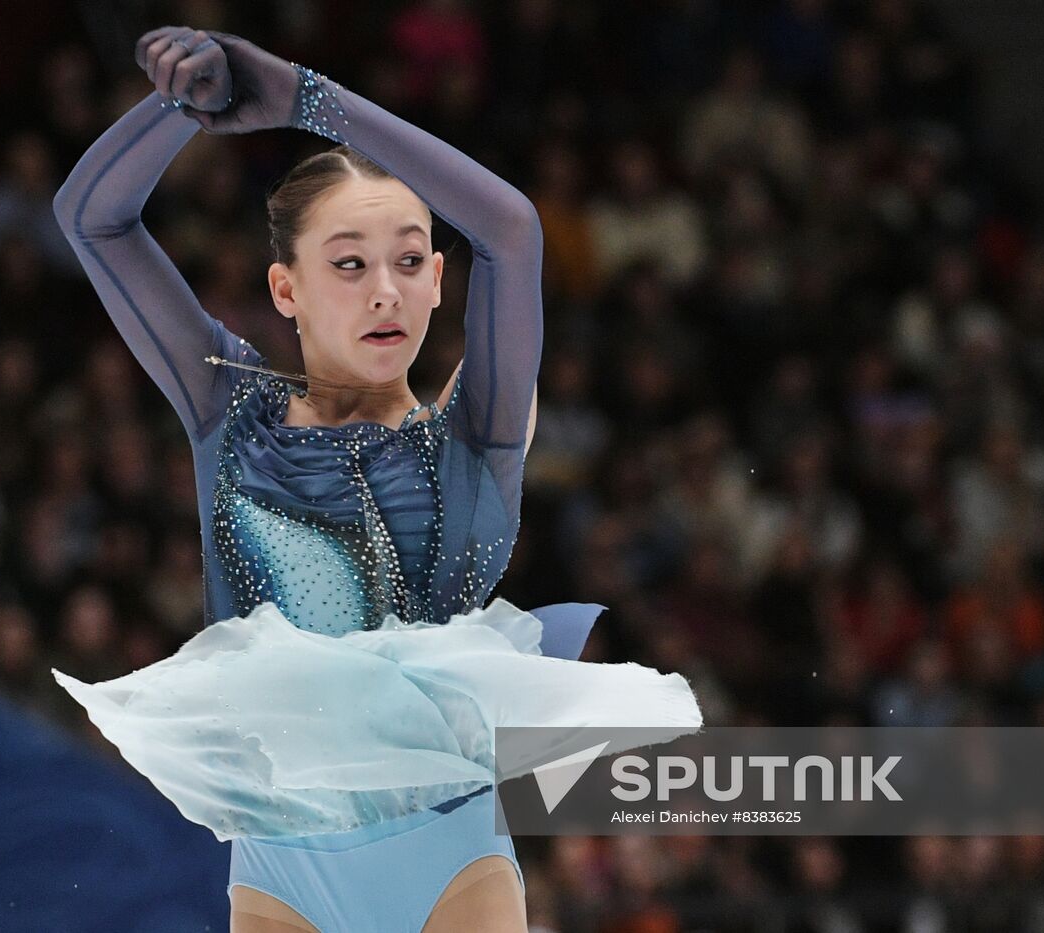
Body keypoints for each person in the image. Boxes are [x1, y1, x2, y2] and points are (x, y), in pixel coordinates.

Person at [49, 26, 703, 932]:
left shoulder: (477, 433)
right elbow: (92, 219)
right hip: (280, 869)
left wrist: (306, 99)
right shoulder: (227, 411)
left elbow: (512, 230)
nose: (385, 290)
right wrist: (182, 105)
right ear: (287, 289)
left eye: (408, 260)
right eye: (349, 264)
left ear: (438, 282)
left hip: (449, 861)